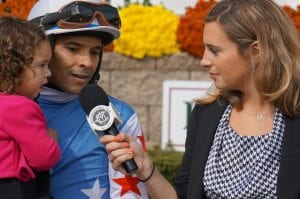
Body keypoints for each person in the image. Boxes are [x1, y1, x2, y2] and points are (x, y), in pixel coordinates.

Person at [100, 0, 300, 198]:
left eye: (215, 50)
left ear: (255, 51)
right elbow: (184, 194)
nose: (204, 61)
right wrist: (146, 169)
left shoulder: (294, 118)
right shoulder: (207, 113)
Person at [27, 0, 149, 198]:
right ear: (39, 51)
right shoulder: (6, 109)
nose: (87, 62)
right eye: (73, 49)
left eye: (95, 52)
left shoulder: (121, 115)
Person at [0, 16, 61, 199]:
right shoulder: (20, 107)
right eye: (42, 65)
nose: (48, 73)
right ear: (13, 67)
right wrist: (52, 140)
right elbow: (44, 158)